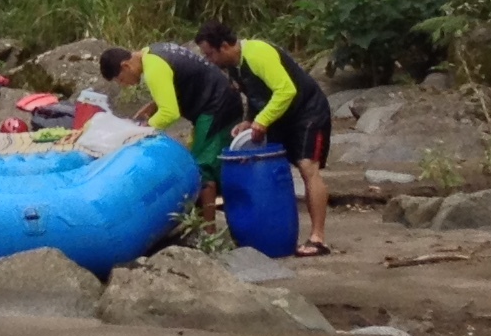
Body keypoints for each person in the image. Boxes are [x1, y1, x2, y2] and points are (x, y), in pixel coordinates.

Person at [199, 19, 334, 257]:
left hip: (308, 112)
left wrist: (262, 121)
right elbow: (254, 95)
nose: (210, 60)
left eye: (210, 54)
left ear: (224, 46)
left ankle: (318, 238)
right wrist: (250, 121)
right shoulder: (235, 66)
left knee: (307, 167)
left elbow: (286, 90)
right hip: (282, 116)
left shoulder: (257, 53)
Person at [97, 40, 247, 220]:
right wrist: (153, 105)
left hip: (217, 107)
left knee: (202, 167)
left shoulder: (153, 69)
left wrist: (142, 130)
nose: (125, 84)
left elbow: (169, 113)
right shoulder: (154, 52)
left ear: (126, 65)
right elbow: (182, 78)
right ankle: (230, 214)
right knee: (217, 162)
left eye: (121, 79)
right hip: (221, 98)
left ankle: (209, 230)